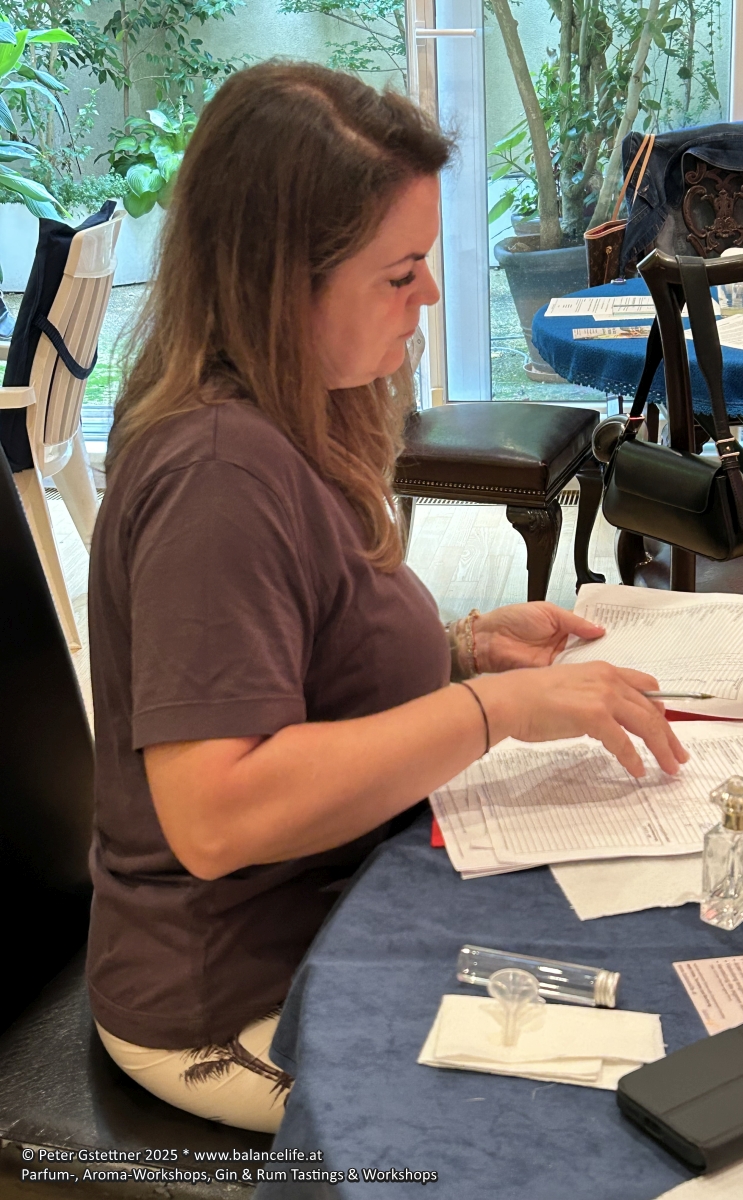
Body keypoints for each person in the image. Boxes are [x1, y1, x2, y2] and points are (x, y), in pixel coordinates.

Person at [87, 59, 688, 1134]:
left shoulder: (292, 409)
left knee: (649, 993)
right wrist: (491, 710)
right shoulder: (217, 473)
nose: (433, 296)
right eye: (401, 271)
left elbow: (301, 652)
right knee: (596, 1113)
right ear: (284, 280)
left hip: (342, 906)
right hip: (233, 997)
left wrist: (461, 649)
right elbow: (217, 815)